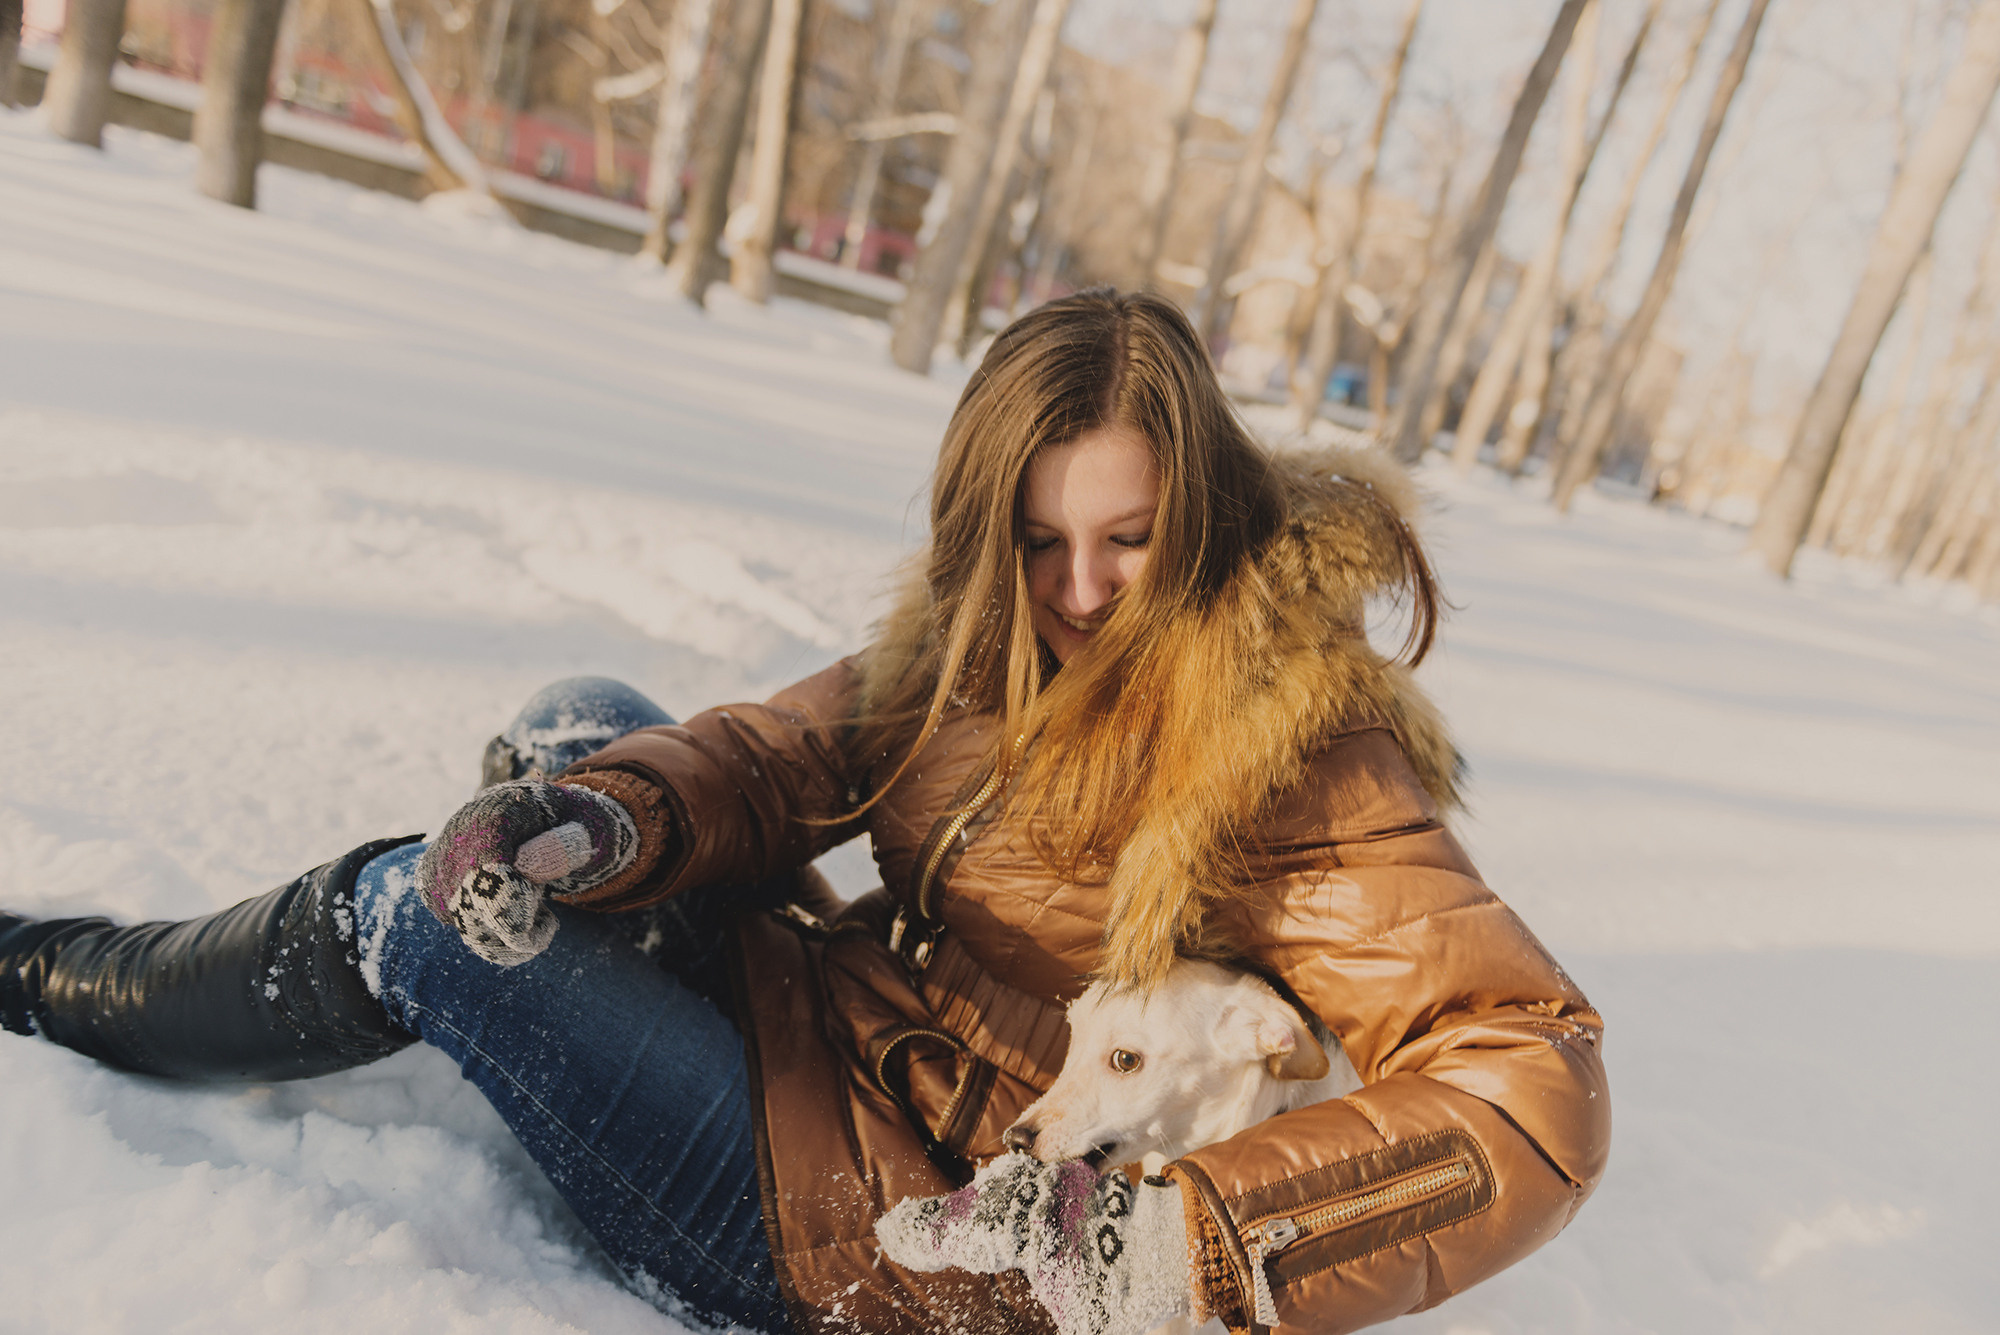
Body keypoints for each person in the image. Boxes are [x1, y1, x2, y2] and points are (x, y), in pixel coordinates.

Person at [0, 289, 1608, 1334]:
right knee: (588, 730)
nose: (1081, 592)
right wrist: (604, 830)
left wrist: (1175, 1245)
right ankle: (528, 960)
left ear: (1203, 510)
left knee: (408, 913)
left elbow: (1529, 1080)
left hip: (896, 1231)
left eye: (1129, 539)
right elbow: (777, 766)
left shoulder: (1294, 753)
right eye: (1038, 542)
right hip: (834, 1032)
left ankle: (49, 976)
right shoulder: (989, 637)